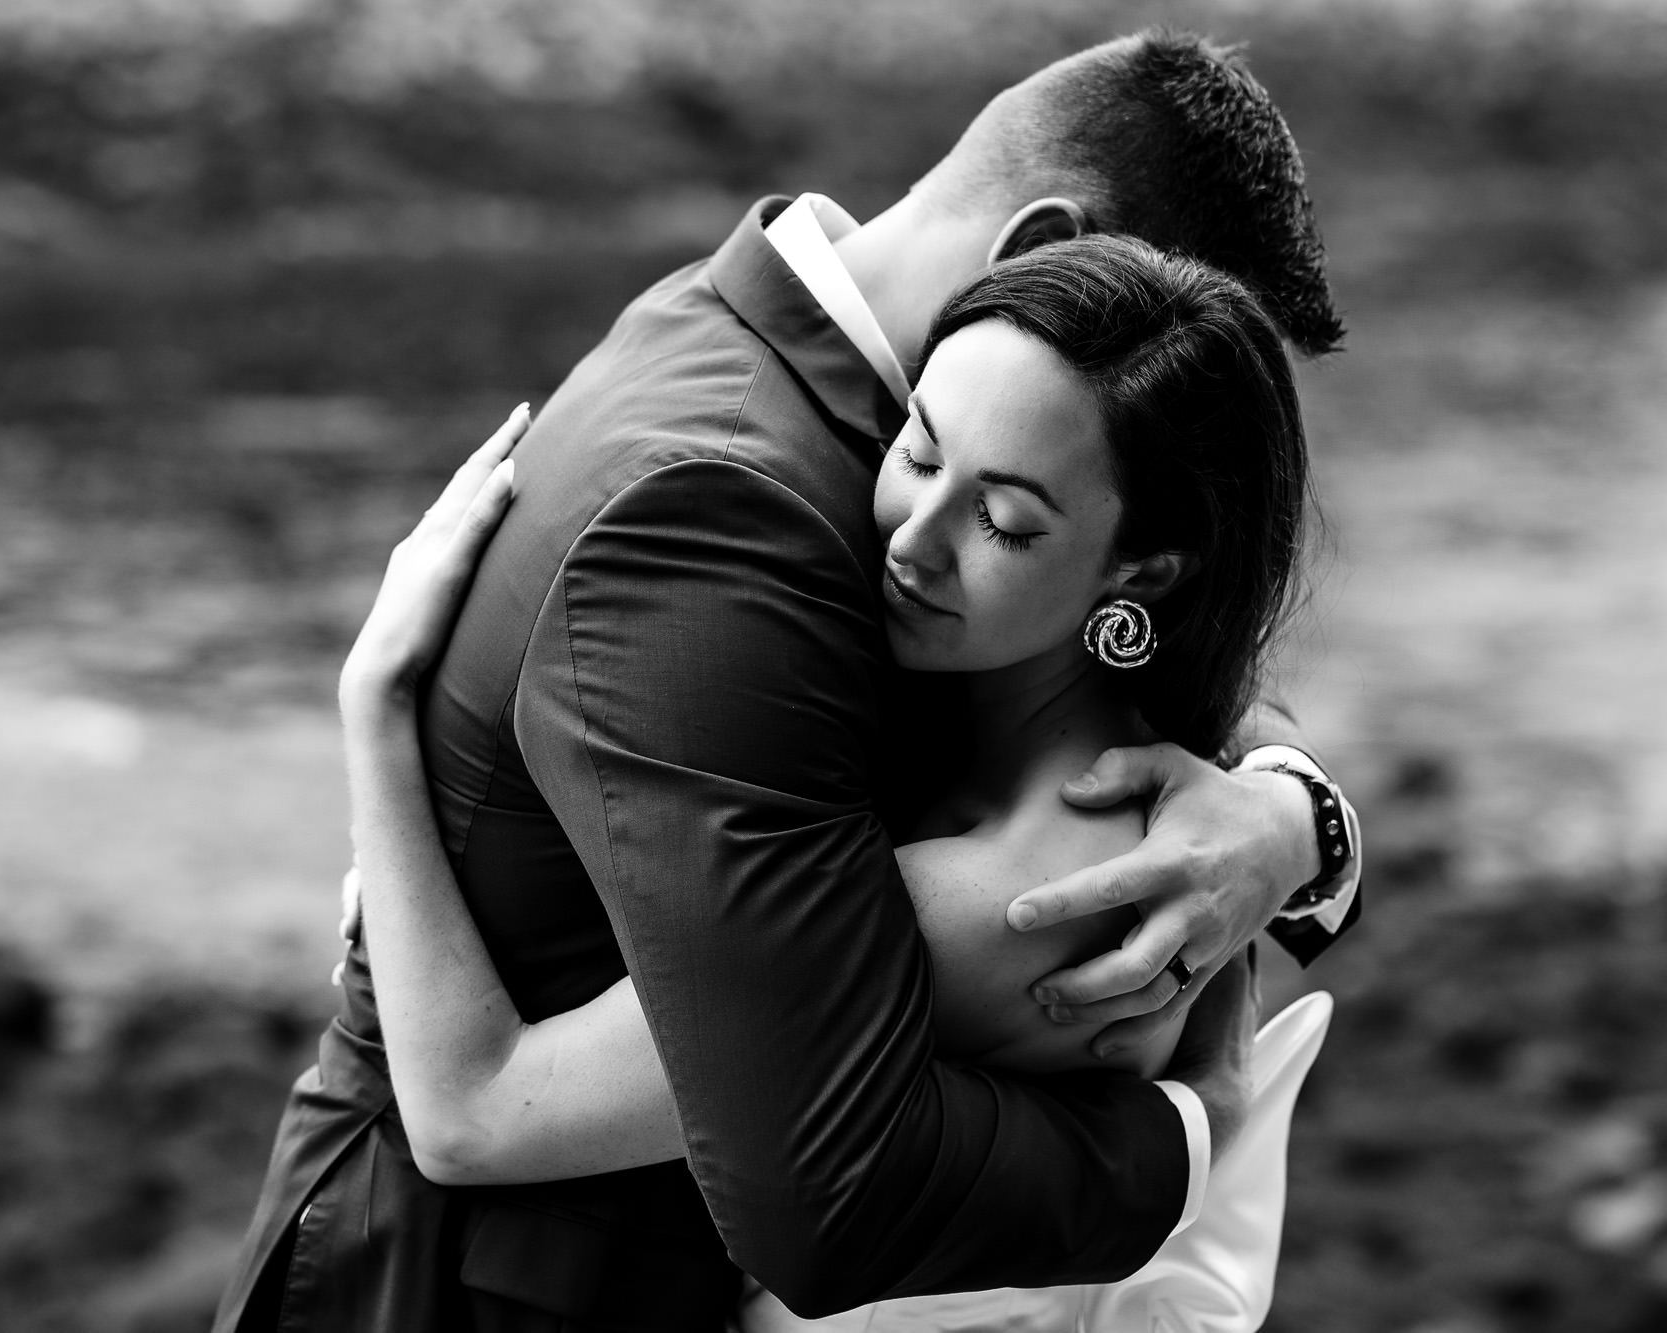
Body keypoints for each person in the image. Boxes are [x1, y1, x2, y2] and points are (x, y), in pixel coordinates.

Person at [214, 29, 1361, 1333]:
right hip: (452, 1291)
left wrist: (1296, 817)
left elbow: (1147, 665)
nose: (1198, 414)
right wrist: (1193, 1132)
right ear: (1044, 259)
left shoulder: (733, 326)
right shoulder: (730, 501)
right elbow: (804, 1174)